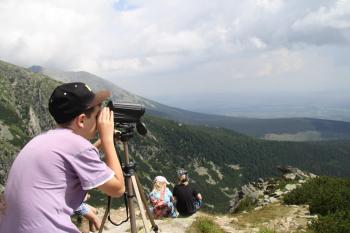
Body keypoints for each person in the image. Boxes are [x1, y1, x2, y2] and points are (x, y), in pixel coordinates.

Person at [0, 82, 125, 233]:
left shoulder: (42, 139)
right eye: (98, 115)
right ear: (82, 120)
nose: (101, 121)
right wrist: (107, 140)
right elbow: (117, 189)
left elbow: (76, 157)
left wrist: (101, 142)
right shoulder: (78, 146)